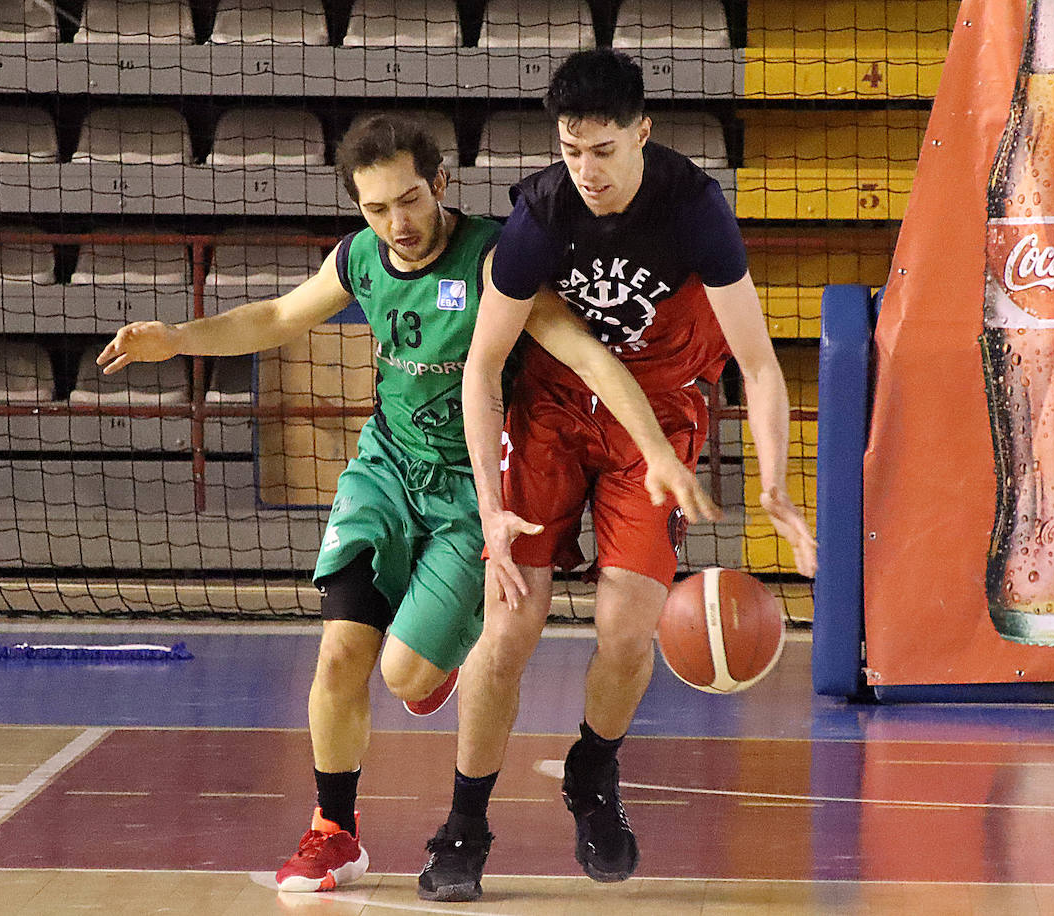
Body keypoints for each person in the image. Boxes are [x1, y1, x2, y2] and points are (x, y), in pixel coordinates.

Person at [95, 114, 716, 894]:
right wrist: (177, 338)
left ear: (442, 186)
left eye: (411, 200)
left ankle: (435, 656)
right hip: (386, 469)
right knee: (339, 651)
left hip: (474, 489)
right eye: (377, 208)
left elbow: (585, 354)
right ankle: (333, 833)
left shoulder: (498, 255)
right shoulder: (360, 258)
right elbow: (281, 316)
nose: (399, 223)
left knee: (404, 674)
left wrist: (658, 450)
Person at [417, 50, 819, 902]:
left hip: (660, 419)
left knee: (629, 627)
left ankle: (592, 772)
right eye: (571, 150)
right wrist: (491, 513)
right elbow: (484, 368)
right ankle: (464, 823)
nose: (587, 171)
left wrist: (776, 485)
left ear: (643, 132)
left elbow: (760, 360)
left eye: (603, 150)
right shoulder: (539, 217)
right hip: (554, 416)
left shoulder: (693, 209)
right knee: (510, 627)